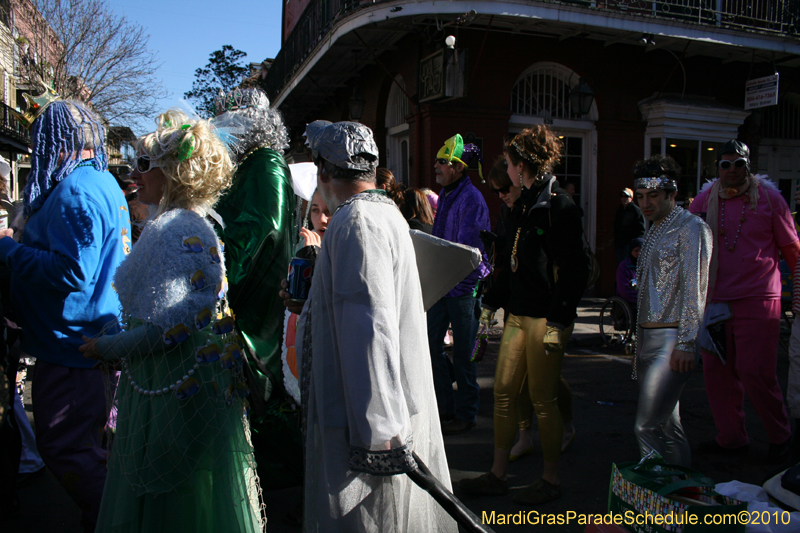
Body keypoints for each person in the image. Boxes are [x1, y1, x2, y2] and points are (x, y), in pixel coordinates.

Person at [82, 109, 264, 532]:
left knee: (175, 501)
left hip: (170, 398)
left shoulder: (172, 229)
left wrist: (101, 348)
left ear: (171, 173)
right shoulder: (187, 224)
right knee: (190, 496)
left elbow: (164, 330)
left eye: (144, 165)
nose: (135, 174)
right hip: (183, 388)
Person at [288, 120, 456, 532]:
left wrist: (378, 437)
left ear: (324, 172)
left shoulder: (357, 223)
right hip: (371, 415)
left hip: (364, 427)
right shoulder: (378, 214)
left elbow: (370, 328)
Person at [0, 94, 129, 531]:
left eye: (42, 140)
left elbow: (72, 272)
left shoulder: (76, 189)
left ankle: (113, 518)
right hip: (83, 340)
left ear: (57, 140)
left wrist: (9, 251)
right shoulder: (101, 181)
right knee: (88, 444)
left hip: (72, 345)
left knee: (64, 447)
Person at [459, 126, 588, 505]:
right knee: (502, 393)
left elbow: (574, 269)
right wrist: (492, 301)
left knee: (542, 398)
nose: (506, 173)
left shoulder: (559, 206)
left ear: (521, 166)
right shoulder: (523, 204)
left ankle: (550, 480)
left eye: (510, 166)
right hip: (518, 313)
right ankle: (498, 475)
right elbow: (514, 266)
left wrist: (561, 320)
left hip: (546, 317)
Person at [211, 87, 300, 486]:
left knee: (259, 387)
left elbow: (263, 228)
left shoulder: (266, 164)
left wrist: (217, 258)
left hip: (256, 295)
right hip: (242, 291)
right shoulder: (248, 163)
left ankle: (286, 474)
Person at [690, 140, 799, 462]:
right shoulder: (704, 200)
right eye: (725, 164)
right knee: (717, 373)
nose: (732, 170)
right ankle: (732, 438)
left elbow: (793, 250)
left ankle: (781, 437)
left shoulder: (770, 198)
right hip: (714, 300)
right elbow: (685, 242)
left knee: (756, 371)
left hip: (759, 298)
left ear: (748, 165)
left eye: (738, 163)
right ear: (717, 169)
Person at [632, 155, 711, 467]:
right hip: (647, 338)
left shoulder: (692, 228)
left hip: (672, 340)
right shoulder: (654, 228)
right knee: (666, 424)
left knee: (645, 425)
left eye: (653, 196)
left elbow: (696, 288)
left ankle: (653, 500)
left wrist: (687, 343)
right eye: (640, 197)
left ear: (671, 194)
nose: (645, 203)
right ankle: (679, 497)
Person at [428, 133, 490, 435]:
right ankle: (444, 408)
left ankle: (467, 413)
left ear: (459, 167)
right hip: (442, 287)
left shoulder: (472, 200)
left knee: (465, 354)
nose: (436, 166)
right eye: (437, 161)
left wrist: (454, 282)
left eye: (443, 162)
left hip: (463, 289)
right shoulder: (448, 195)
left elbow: (467, 253)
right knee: (430, 346)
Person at [614, 187, 646, 265]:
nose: (624, 198)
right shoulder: (620, 211)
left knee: (628, 265)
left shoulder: (636, 211)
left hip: (629, 245)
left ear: (631, 198)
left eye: (626, 196)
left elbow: (641, 229)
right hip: (620, 244)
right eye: (622, 196)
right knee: (621, 265)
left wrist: (636, 244)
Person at [616, 237, 643, 316]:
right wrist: (639, 299)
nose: (639, 253)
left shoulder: (648, 266)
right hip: (630, 299)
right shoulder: (624, 266)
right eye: (636, 250)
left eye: (642, 250)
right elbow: (624, 289)